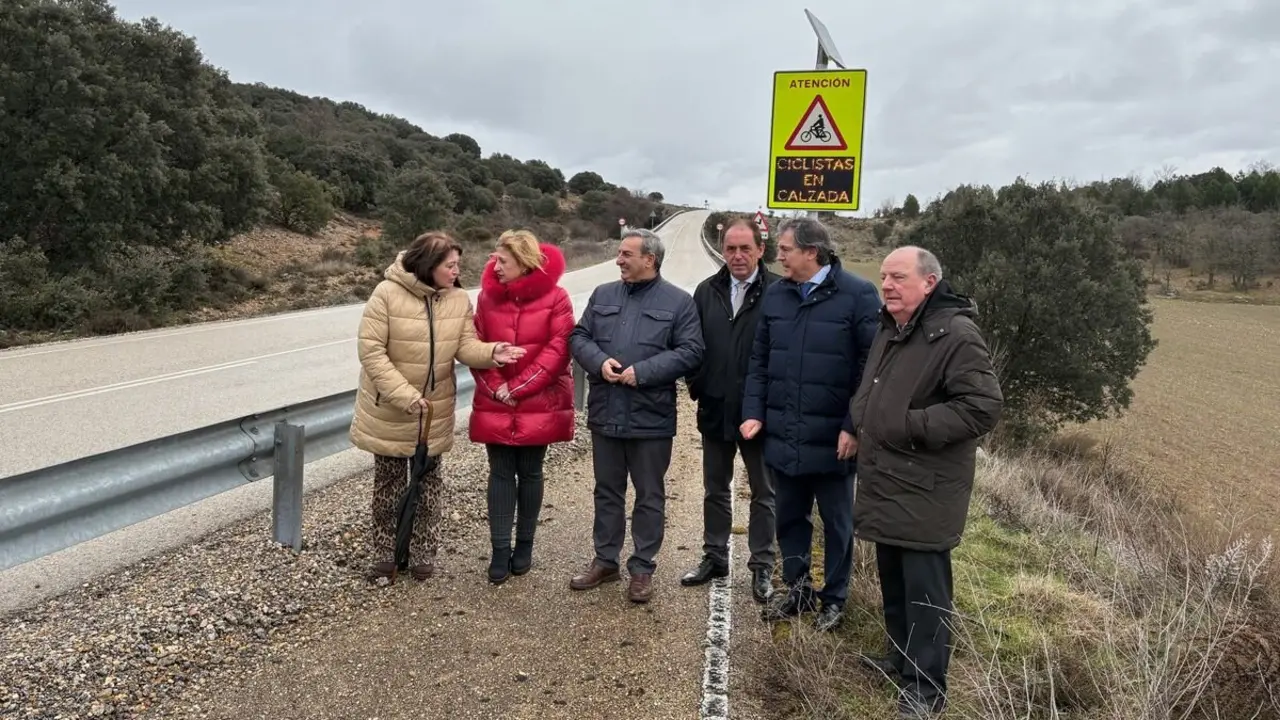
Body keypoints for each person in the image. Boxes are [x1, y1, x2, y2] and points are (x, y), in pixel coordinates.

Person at [848, 246, 1003, 718]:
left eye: (898, 277)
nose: (888, 285)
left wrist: (909, 425)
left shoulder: (954, 333)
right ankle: (902, 662)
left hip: (925, 486)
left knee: (925, 592)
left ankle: (927, 688)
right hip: (890, 478)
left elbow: (982, 407)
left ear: (929, 282)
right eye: (884, 277)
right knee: (894, 580)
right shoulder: (893, 326)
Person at [350, 231, 526, 583]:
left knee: (429, 485)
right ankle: (385, 554)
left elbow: (464, 345)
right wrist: (403, 394)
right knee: (388, 485)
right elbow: (371, 352)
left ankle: (422, 554)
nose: (456, 271)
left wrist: (491, 352)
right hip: (391, 407)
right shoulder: (386, 293)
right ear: (429, 265)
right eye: (450, 265)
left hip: (433, 411)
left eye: (457, 264)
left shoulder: (458, 299)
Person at [741, 217, 879, 632]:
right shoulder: (778, 295)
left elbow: (870, 369)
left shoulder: (858, 295)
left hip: (835, 439)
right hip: (784, 433)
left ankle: (834, 598)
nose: (776, 256)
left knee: (837, 524)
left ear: (811, 252)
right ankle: (798, 590)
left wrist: (853, 425)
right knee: (789, 518)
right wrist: (753, 411)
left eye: (784, 250)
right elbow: (759, 360)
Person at [567, 227, 704, 603]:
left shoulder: (679, 303)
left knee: (649, 495)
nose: (619, 260)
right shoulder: (603, 294)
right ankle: (605, 561)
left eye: (626, 254)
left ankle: (642, 568)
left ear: (650, 259)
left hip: (651, 417)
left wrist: (642, 372)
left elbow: (691, 351)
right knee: (607, 491)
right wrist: (599, 362)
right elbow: (579, 337)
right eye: (619, 253)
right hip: (606, 411)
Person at [681, 217, 781, 604]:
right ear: (722, 251)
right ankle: (715, 557)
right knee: (715, 489)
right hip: (716, 408)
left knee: (764, 492)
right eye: (730, 249)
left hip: (761, 413)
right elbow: (691, 345)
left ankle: (761, 568)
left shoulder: (779, 292)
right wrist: (698, 385)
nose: (737, 256)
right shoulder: (706, 291)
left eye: (745, 248)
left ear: (760, 250)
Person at [469, 229, 576, 585]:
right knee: (499, 472)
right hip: (497, 400)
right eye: (495, 259)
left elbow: (558, 350)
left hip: (538, 400)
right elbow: (476, 348)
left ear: (524, 262)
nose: (495, 266)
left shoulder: (557, 298)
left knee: (530, 471)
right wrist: (498, 389)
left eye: (503, 261)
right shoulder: (486, 299)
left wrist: (518, 387)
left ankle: (524, 546)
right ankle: (500, 549)